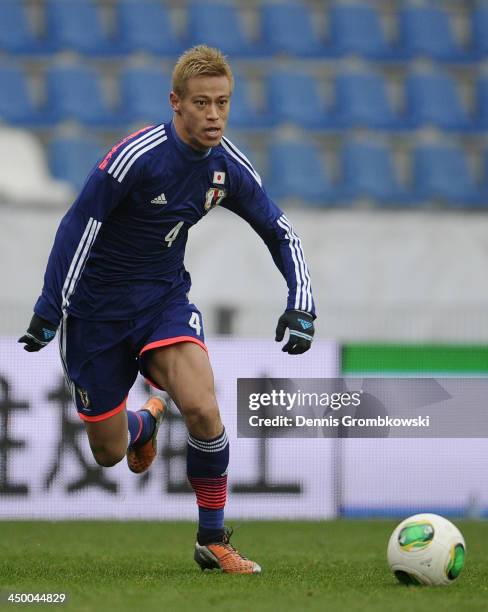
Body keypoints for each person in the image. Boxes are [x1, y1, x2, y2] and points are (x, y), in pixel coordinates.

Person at [18, 45, 315, 574]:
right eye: (202, 103)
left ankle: (211, 538)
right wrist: (50, 309)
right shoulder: (135, 158)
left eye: (223, 103)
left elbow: (278, 229)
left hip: (162, 303)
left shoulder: (228, 166)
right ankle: (144, 423)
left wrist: (301, 301)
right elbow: (78, 224)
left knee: (203, 408)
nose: (214, 115)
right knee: (108, 452)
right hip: (95, 316)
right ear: (175, 102)